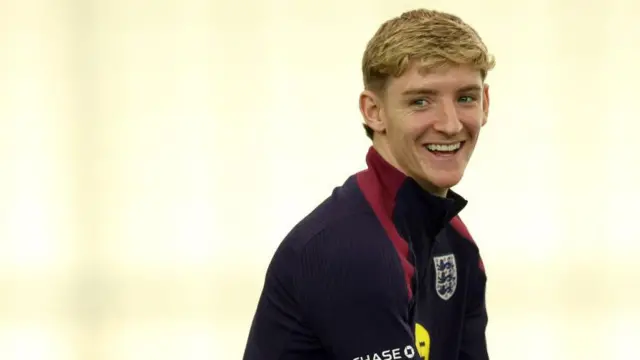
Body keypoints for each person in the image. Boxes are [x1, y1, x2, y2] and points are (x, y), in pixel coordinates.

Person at [243, 8, 495, 360]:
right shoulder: (348, 249)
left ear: (485, 103)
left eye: (465, 98)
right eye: (421, 101)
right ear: (374, 112)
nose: (451, 125)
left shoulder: (456, 243)